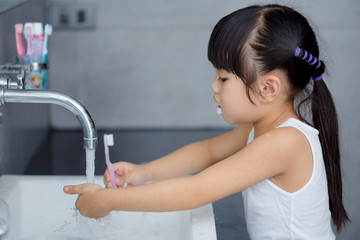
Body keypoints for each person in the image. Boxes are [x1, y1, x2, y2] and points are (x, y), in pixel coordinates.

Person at [64, 4, 349, 239]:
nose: (214, 86)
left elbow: (194, 191)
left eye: (223, 78)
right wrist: (144, 172)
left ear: (267, 88)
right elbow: (207, 152)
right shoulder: (264, 130)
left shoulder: (285, 142)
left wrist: (108, 201)